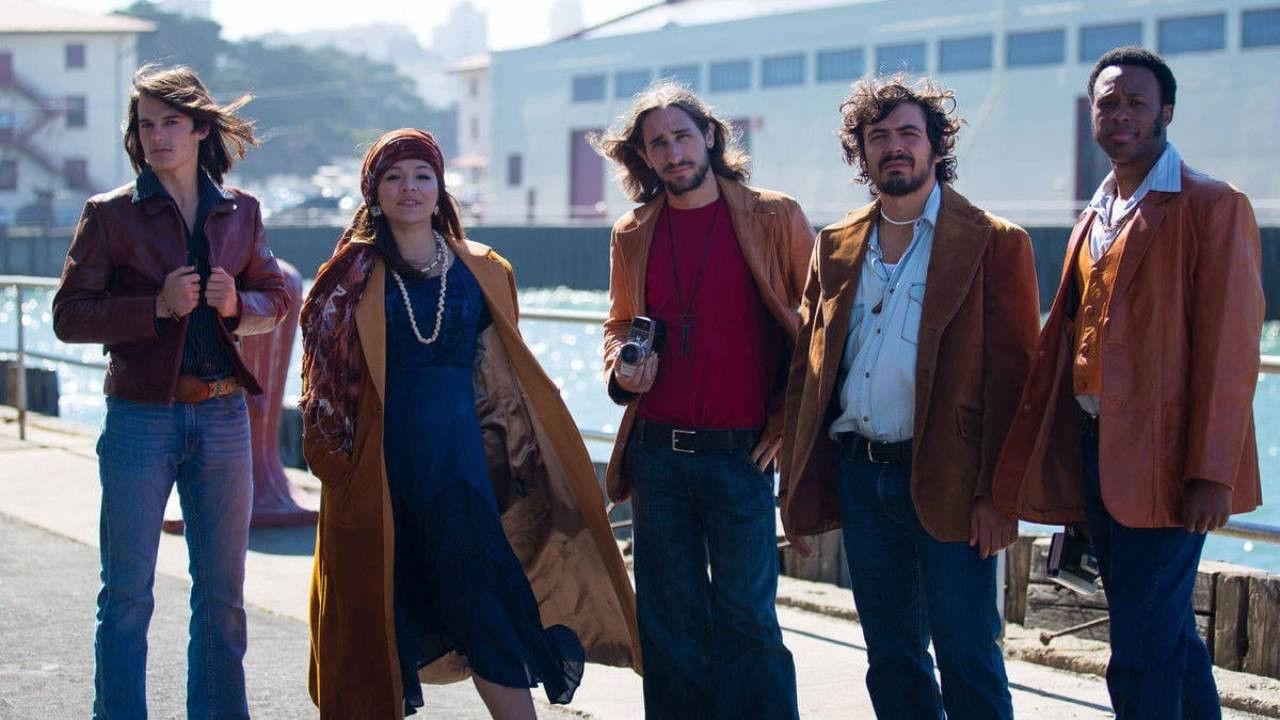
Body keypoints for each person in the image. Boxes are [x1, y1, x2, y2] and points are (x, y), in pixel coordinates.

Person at [300, 128, 640, 719]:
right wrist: (337, 468)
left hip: (460, 477)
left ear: (440, 187)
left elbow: (504, 381)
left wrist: (523, 464)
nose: (409, 188)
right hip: (378, 475)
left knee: (487, 613)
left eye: (422, 176)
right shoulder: (347, 277)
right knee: (374, 625)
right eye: (393, 177)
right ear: (372, 192)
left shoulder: (482, 269)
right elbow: (323, 388)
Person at [993, 47, 1264, 719]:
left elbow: (1231, 349)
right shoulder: (1096, 212)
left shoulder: (1212, 205)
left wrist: (1212, 472)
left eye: (1136, 103)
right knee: (1163, 631)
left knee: (1140, 647)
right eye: (1108, 103)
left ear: (1166, 112)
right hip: (1096, 449)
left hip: (1168, 463)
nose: (1120, 115)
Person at [779, 75, 1039, 720]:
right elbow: (808, 369)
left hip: (953, 480)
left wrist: (999, 496)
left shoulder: (993, 241)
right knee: (892, 657)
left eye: (908, 134)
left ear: (935, 145)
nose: (894, 146)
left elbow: (1016, 383)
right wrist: (797, 483)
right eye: (878, 136)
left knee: (968, 655)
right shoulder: (834, 244)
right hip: (862, 478)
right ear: (861, 152)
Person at [51, 64, 290, 719]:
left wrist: (238, 304)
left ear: (201, 128)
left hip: (224, 417)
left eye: (171, 123)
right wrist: (155, 307)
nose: (157, 136)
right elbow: (69, 315)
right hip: (139, 419)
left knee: (223, 598)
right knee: (127, 595)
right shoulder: (109, 215)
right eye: (146, 124)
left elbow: (276, 299)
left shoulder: (241, 212)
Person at [593, 82, 813, 719]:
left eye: (683, 136)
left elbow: (818, 328)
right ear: (643, 156)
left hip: (742, 454)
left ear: (710, 136)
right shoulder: (633, 231)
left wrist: (787, 419)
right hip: (657, 455)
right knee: (668, 624)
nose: (673, 152)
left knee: (748, 622)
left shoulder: (775, 216)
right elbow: (620, 323)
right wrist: (623, 369)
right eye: (657, 143)